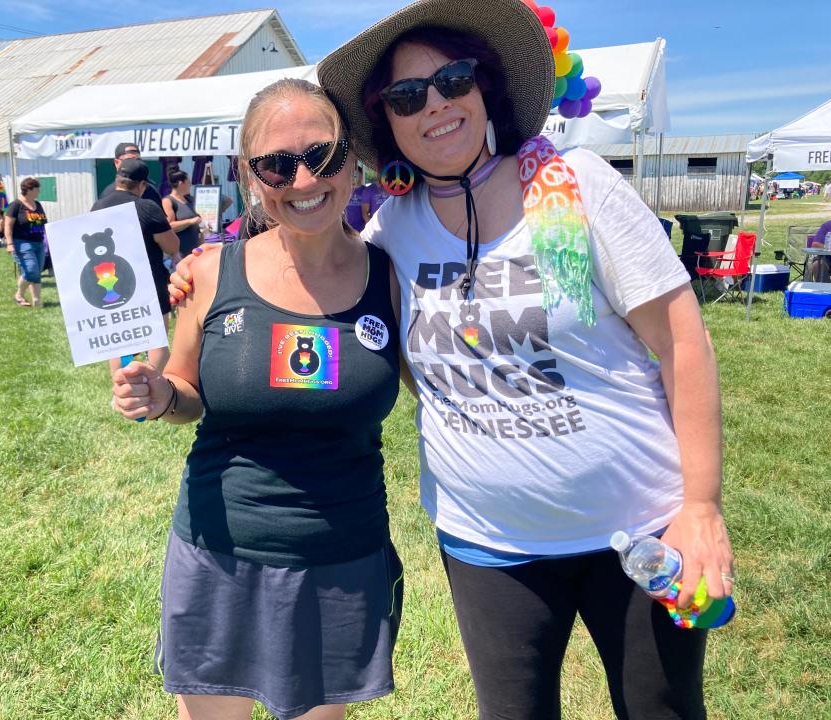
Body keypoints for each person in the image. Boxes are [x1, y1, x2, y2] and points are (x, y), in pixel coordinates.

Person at [315, 2, 735, 717]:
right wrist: (206, 277)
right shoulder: (392, 228)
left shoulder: (579, 184)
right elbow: (342, 307)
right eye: (408, 96)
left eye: (452, 80)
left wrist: (700, 506)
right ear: (387, 121)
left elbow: (681, 342)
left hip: (642, 531)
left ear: (485, 89)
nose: (436, 106)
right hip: (488, 543)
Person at [111, 78, 404, 720]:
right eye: (276, 163)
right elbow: (188, 389)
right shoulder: (214, 273)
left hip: (342, 558)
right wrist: (161, 394)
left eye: (322, 156)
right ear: (250, 174)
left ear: (350, 159)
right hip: (219, 549)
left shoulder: (390, 274)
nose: (303, 180)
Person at [91, 158, 179, 371]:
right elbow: (171, 245)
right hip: (149, 280)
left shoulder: (98, 206)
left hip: (113, 282)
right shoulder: (147, 207)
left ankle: (121, 387)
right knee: (155, 340)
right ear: (142, 185)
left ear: (117, 179)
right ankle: (156, 386)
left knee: (121, 343)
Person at [4, 177, 48, 307]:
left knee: (37, 272)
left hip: (39, 243)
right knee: (31, 270)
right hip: (22, 243)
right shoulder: (15, 205)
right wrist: (9, 244)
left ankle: (37, 300)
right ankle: (19, 294)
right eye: (37, 189)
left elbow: (44, 222)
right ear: (28, 190)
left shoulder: (37, 204)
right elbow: (8, 225)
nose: (38, 191)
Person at [161, 166, 202, 258]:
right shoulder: (168, 201)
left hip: (195, 251)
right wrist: (190, 221)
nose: (190, 185)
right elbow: (169, 226)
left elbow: (198, 225)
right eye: (188, 182)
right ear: (181, 183)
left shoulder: (190, 199)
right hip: (179, 254)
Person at [806, 202, 831, 282]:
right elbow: (815, 245)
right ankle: (826, 291)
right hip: (829, 260)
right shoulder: (828, 226)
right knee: (817, 265)